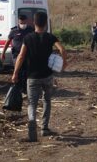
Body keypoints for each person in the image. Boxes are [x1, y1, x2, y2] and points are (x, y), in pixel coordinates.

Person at [12, 11, 67, 142]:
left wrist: (15, 73)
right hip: (47, 76)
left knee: (32, 103)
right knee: (47, 100)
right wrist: (64, 64)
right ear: (45, 23)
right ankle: (44, 128)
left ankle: (32, 120)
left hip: (32, 77)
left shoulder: (28, 38)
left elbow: (20, 57)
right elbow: (62, 50)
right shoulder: (50, 37)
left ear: (34, 22)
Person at [2, 15, 34, 91]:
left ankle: (25, 89)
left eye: (24, 22)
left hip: (28, 54)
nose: (23, 24)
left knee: (26, 71)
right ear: (18, 21)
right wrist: (3, 52)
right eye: (21, 22)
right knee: (18, 70)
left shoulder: (31, 30)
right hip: (16, 54)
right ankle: (17, 88)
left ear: (26, 21)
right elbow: (7, 42)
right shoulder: (14, 31)